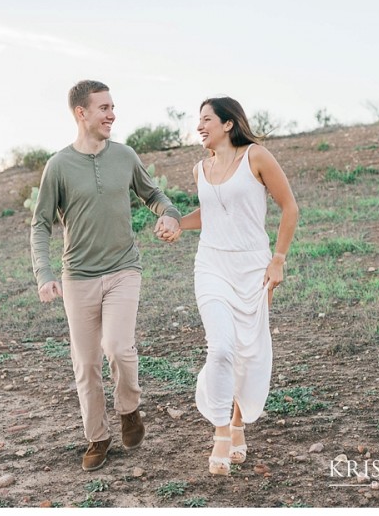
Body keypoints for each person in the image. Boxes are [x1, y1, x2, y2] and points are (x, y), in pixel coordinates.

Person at [30, 79, 181, 472]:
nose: (112, 114)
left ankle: (129, 409)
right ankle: (97, 437)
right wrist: (44, 273)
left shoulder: (125, 155)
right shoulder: (59, 165)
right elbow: (40, 223)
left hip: (122, 269)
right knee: (86, 364)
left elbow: (154, 195)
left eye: (113, 107)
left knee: (118, 347)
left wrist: (167, 213)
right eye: (104, 108)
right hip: (77, 277)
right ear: (82, 113)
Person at [161, 96, 298, 475]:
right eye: (198, 120)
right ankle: (222, 430)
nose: (200, 126)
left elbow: (290, 207)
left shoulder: (256, 157)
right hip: (211, 265)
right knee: (221, 347)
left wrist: (278, 260)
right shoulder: (199, 168)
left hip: (253, 267)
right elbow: (211, 214)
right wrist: (176, 223)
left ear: (227, 124)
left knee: (248, 352)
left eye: (207, 119)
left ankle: (238, 423)